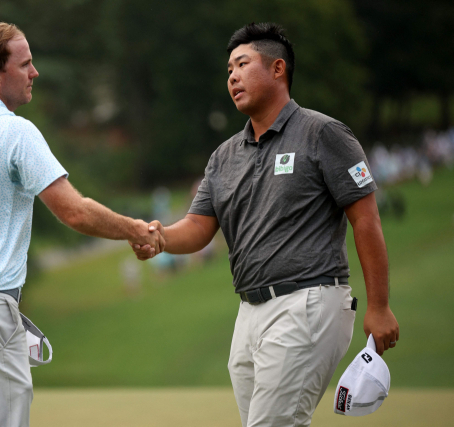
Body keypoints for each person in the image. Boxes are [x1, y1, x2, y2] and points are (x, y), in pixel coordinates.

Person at [131, 22, 399, 427]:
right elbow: (199, 227)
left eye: (242, 64)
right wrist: (160, 238)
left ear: (278, 69)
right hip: (250, 313)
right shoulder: (224, 156)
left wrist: (379, 306)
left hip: (308, 301)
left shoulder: (323, 133)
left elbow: (366, 219)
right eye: (228, 71)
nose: (232, 77)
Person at [0, 21, 163, 427]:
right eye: (26, 64)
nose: (34, 72)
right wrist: (136, 230)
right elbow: (73, 211)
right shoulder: (16, 132)